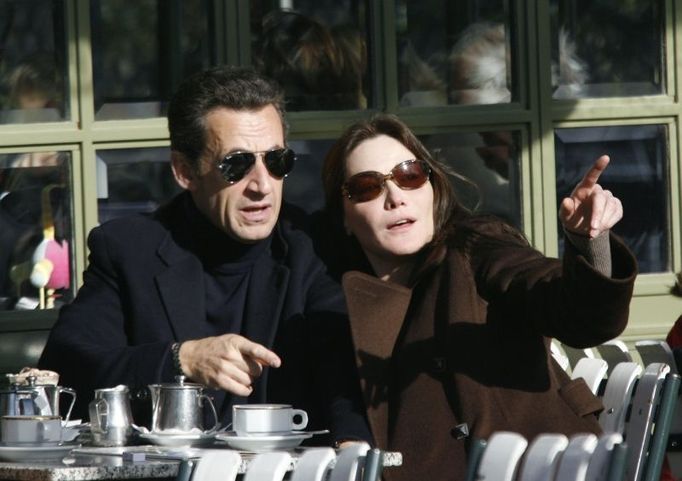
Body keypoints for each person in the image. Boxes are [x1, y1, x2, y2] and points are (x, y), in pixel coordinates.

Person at [38, 66, 370, 445]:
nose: (262, 185)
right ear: (184, 171)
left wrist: (353, 451)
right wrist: (181, 359)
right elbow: (65, 370)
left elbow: (343, 368)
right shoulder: (131, 250)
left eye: (277, 161)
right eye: (237, 164)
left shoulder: (313, 244)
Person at [317, 114, 637, 481]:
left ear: (432, 185)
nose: (395, 197)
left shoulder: (475, 247)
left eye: (409, 175)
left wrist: (588, 243)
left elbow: (573, 310)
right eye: (366, 187)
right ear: (343, 215)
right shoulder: (337, 304)